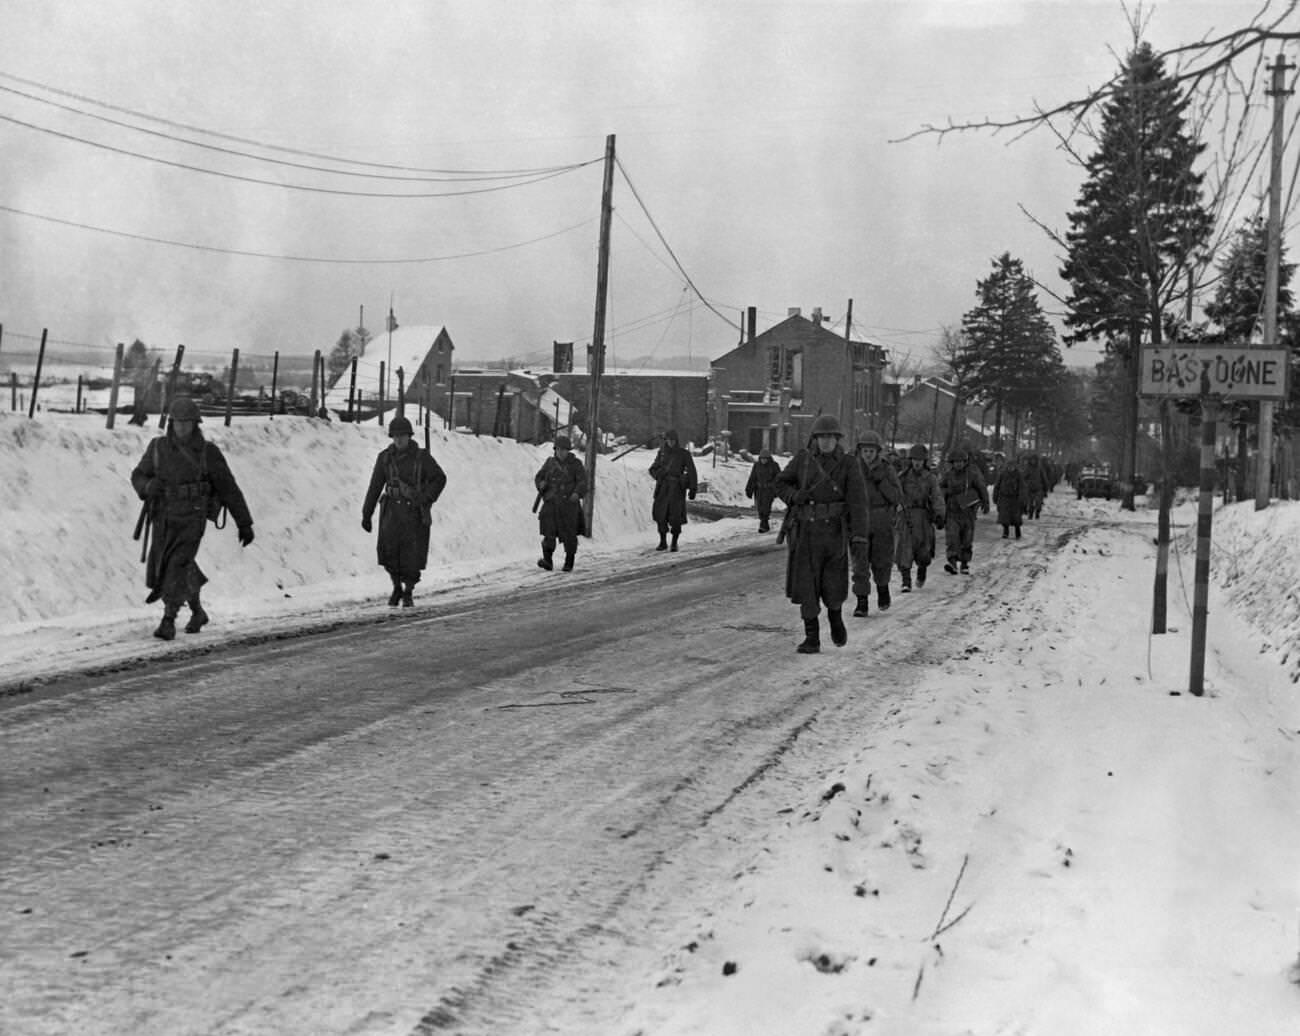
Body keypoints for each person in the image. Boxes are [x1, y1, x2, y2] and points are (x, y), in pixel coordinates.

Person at [130, 395, 254, 641]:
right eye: (178, 422)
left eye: (187, 422)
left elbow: (229, 487)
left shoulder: (208, 453)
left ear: (196, 424)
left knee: (176, 564)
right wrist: (147, 486)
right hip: (163, 517)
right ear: (171, 423)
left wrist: (244, 522)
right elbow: (138, 475)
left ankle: (168, 620)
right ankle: (198, 612)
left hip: (192, 518)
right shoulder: (158, 448)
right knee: (168, 565)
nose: (182, 427)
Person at [774, 415, 870, 653]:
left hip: (834, 532)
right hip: (806, 533)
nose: (826, 442)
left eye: (831, 437)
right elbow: (780, 483)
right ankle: (812, 637)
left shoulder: (848, 463)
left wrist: (859, 536)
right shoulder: (803, 460)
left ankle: (835, 619)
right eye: (822, 437)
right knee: (806, 586)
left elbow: (858, 502)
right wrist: (794, 496)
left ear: (838, 440)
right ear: (814, 439)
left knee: (833, 584)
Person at [361, 415, 447, 607]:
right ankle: (396, 587)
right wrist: (366, 514)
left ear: (409, 436)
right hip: (391, 511)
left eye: (402, 435)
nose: (399, 439)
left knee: (411, 555)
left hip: (413, 512)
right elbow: (374, 487)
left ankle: (408, 591)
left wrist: (426, 498)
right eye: (395, 436)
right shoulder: (384, 458)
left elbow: (439, 478)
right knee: (389, 552)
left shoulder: (422, 457)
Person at [850, 429, 903, 617]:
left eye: (871, 451)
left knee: (881, 561)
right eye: (865, 450)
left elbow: (897, 496)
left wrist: (882, 482)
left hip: (881, 521)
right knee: (860, 564)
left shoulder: (887, 469)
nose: (868, 454)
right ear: (859, 451)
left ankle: (882, 589)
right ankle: (862, 602)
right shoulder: (853, 469)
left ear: (878, 452)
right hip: (860, 521)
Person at [894, 443, 945, 592]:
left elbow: (936, 496)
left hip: (923, 517)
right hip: (906, 516)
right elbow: (894, 495)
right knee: (904, 548)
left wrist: (940, 514)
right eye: (915, 459)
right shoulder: (902, 477)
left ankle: (922, 571)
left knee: (924, 550)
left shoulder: (930, 478)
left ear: (924, 461)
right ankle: (906, 580)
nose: (917, 463)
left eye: (920, 460)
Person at [534, 434, 587, 572]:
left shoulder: (576, 464)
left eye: (563, 450)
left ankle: (569, 562)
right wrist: (541, 484)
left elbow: (583, 482)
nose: (560, 452)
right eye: (558, 449)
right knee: (548, 533)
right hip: (551, 504)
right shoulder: (550, 463)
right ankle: (548, 561)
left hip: (569, 505)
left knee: (569, 535)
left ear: (568, 450)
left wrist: (576, 493)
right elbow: (539, 477)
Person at [938, 446, 989, 574]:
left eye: (961, 461)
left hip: (968, 511)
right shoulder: (948, 475)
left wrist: (985, 502)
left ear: (965, 462)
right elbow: (939, 489)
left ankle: (965, 563)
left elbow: (981, 487)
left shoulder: (972, 474)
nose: (958, 464)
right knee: (952, 538)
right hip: (952, 512)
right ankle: (953, 562)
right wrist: (946, 494)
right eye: (956, 462)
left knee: (967, 538)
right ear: (952, 463)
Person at [649, 429, 698, 552]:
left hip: (676, 489)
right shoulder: (662, 453)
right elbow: (653, 469)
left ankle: (674, 542)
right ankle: (663, 541)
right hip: (663, 488)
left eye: (673, 440)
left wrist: (692, 488)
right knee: (661, 516)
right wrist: (659, 474)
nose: (670, 443)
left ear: (676, 441)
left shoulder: (683, 454)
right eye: (668, 440)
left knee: (676, 518)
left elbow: (691, 471)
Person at [745, 447, 782, 532]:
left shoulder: (774, 466)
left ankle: (763, 525)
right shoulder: (757, 466)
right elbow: (753, 477)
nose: (763, 460)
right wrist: (749, 489)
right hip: (758, 490)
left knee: (766, 508)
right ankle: (765, 524)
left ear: (768, 459)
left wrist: (776, 489)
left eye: (765, 459)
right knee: (760, 508)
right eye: (762, 458)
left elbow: (779, 478)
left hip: (769, 490)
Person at [993, 455, 1030, 539]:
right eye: (1009, 466)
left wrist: (1022, 498)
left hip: (1015, 499)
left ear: (1015, 466)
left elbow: (1022, 487)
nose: (1010, 468)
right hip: (1004, 498)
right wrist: (995, 496)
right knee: (1004, 517)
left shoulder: (1018, 475)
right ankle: (1005, 531)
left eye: (1012, 466)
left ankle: (1018, 531)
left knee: (1016, 517)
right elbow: (997, 486)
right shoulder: (1002, 474)